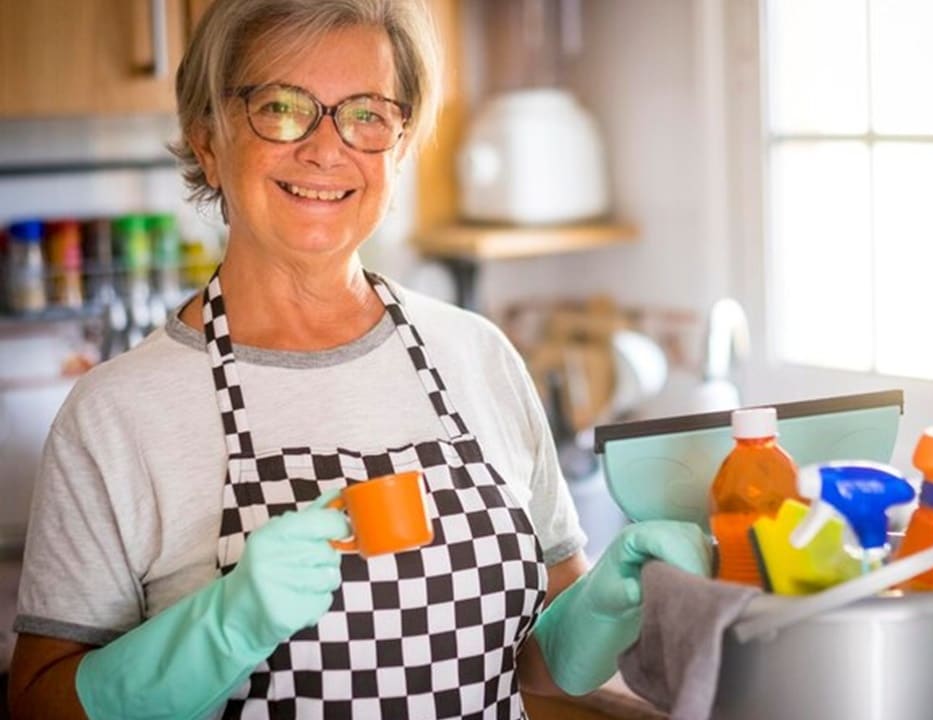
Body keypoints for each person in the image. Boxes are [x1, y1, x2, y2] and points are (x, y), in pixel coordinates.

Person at [6, 1, 710, 718]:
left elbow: (535, 660)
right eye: (281, 107)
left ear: (400, 145)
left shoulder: (478, 356)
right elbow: (35, 705)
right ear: (208, 140)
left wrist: (609, 602)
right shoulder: (118, 416)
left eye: (367, 113)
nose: (326, 148)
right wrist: (223, 626)